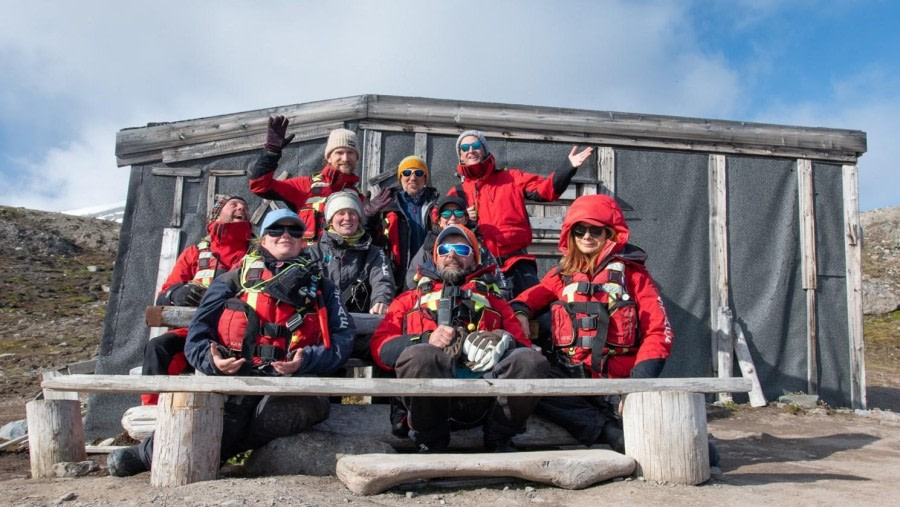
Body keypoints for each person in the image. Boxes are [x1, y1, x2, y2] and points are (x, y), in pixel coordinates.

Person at [108, 209, 355, 477]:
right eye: (276, 230)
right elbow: (198, 334)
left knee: (292, 408)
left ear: (302, 241)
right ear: (262, 239)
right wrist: (211, 361)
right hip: (239, 375)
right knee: (230, 408)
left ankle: (150, 455)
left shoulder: (323, 288)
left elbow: (343, 338)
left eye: (294, 231)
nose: (285, 235)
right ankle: (156, 454)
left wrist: (307, 360)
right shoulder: (231, 280)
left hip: (293, 382)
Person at [509, 194, 674, 454]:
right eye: (580, 230)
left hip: (619, 379)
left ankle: (613, 427)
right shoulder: (561, 275)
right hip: (574, 376)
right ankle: (608, 433)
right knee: (533, 380)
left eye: (595, 230)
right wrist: (519, 311)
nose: (587, 236)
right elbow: (527, 298)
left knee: (703, 453)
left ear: (609, 233)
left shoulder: (634, 274)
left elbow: (659, 330)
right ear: (570, 234)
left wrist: (638, 385)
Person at [370, 225, 549, 453]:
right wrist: (425, 339)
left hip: (485, 399)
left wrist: (503, 340)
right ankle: (431, 443)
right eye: (444, 249)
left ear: (474, 258)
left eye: (461, 249)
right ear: (435, 257)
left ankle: (499, 439)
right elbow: (380, 347)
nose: (451, 255)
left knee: (531, 361)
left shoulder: (495, 302)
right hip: (428, 403)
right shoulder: (408, 300)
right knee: (422, 355)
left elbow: (523, 348)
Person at [447, 130, 594, 297]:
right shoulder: (456, 193)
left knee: (537, 315)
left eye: (475, 146)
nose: (470, 150)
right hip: (481, 270)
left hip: (518, 265)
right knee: (487, 318)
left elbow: (546, 191)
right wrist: (462, 217)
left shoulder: (512, 178)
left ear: (485, 150)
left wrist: (568, 167)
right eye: (465, 148)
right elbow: (439, 222)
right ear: (460, 155)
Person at [141, 194, 253, 405]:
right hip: (195, 332)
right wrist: (177, 293)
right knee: (158, 347)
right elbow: (163, 296)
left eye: (244, 206)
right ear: (216, 215)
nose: (241, 208)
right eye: (234, 205)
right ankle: (152, 414)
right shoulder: (194, 253)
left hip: (242, 333)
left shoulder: (259, 252)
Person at [249, 116, 365, 243]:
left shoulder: (358, 196)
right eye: (339, 153)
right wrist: (271, 153)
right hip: (310, 260)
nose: (345, 158)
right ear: (329, 157)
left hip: (347, 261)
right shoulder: (304, 185)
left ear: (356, 158)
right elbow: (260, 186)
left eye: (350, 153)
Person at [307, 191, 395, 358]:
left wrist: (381, 300)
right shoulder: (312, 253)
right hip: (321, 332)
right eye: (340, 213)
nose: (347, 218)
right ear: (330, 220)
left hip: (360, 333)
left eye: (352, 213)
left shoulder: (375, 253)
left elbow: (383, 280)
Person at [403, 194, 508, 296]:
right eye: (446, 214)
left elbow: (501, 287)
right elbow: (410, 287)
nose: (452, 217)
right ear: (439, 221)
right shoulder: (426, 249)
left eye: (458, 213)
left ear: (466, 219)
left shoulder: (481, 248)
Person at [367, 155, 440, 289]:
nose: (413, 177)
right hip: (395, 276)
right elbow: (369, 237)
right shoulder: (387, 206)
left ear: (425, 179)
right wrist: (368, 216)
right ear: (400, 178)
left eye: (418, 173)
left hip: (428, 275)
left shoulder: (436, 207)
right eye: (407, 173)